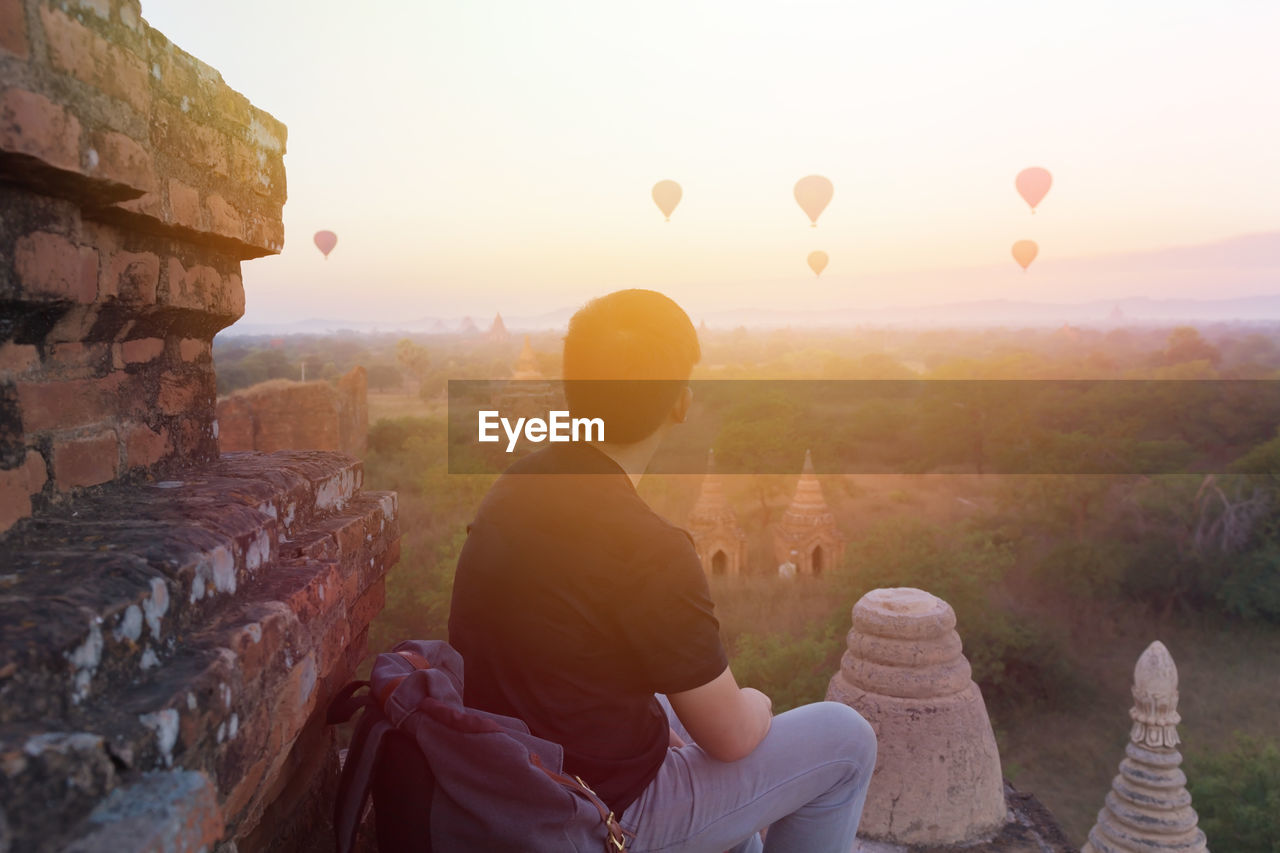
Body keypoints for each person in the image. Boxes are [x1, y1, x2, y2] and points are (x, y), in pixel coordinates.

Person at [448, 289, 876, 853]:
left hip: (508, 777)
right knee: (845, 739)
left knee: (679, 708)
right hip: (591, 812)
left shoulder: (518, 485)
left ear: (569, 395)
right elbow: (732, 737)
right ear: (681, 404)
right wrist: (758, 703)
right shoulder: (649, 545)